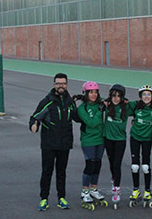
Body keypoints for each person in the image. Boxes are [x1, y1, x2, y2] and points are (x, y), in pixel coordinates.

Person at [29, 73, 77, 211]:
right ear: (54, 84)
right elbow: (35, 117)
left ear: (66, 84)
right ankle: (44, 199)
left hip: (65, 143)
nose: (60, 86)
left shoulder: (69, 102)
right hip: (49, 144)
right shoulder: (47, 101)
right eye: (58, 83)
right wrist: (34, 125)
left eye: (63, 83)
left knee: (61, 172)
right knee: (47, 172)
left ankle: (61, 198)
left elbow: (77, 117)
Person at [75, 81, 108, 210]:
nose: (94, 94)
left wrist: (122, 98)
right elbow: (92, 123)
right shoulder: (82, 108)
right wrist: (100, 111)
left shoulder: (101, 103)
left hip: (100, 139)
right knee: (90, 164)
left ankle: (94, 189)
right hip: (88, 140)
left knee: (97, 164)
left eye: (95, 92)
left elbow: (112, 99)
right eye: (91, 92)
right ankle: (84, 191)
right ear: (86, 93)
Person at [127, 85, 152, 207]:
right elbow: (123, 108)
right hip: (135, 137)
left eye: (149, 94)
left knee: (145, 166)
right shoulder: (136, 106)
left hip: (147, 139)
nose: (146, 97)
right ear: (140, 96)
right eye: (144, 94)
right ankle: (135, 190)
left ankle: (147, 191)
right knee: (135, 165)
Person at [103, 84, 129, 209]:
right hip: (108, 139)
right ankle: (114, 178)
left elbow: (141, 106)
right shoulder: (107, 106)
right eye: (114, 96)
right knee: (111, 162)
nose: (116, 98)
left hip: (120, 140)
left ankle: (116, 189)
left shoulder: (126, 107)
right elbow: (94, 102)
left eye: (119, 96)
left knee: (117, 164)